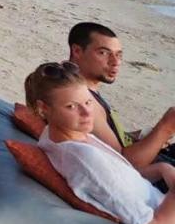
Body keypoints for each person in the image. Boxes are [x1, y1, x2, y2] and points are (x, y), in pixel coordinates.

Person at [24, 61, 175, 224]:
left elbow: (123, 179)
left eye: (88, 102)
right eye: (71, 106)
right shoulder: (82, 158)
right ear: (43, 108)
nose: (87, 113)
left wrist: (163, 169)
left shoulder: (64, 137)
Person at [67, 22, 175, 175]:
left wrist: (142, 137)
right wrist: (166, 127)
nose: (115, 62)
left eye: (118, 55)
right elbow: (124, 163)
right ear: (77, 51)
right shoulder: (82, 100)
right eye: (103, 53)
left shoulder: (79, 88)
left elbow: (105, 141)